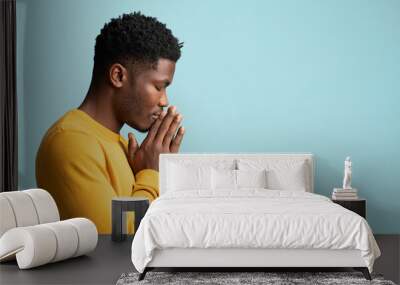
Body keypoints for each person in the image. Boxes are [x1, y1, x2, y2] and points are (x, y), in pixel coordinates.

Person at [36, 12, 185, 234]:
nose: (164, 101)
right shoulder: (70, 142)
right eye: (158, 86)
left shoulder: (125, 148)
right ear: (118, 76)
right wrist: (151, 173)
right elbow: (114, 243)